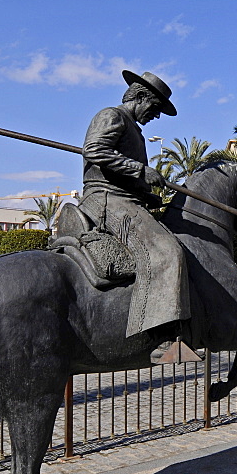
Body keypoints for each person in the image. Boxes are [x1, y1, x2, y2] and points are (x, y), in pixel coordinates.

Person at [79, 70, 189, 356]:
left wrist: (147, 194)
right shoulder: (112, 116)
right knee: (166, 252)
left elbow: (122, 172)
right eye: (154, 108)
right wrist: (140, 170)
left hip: (126, 198)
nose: (156, 116)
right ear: (140, 97)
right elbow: (94, 150)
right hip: (105, 199)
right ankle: (159, 337)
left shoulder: (134, 129)